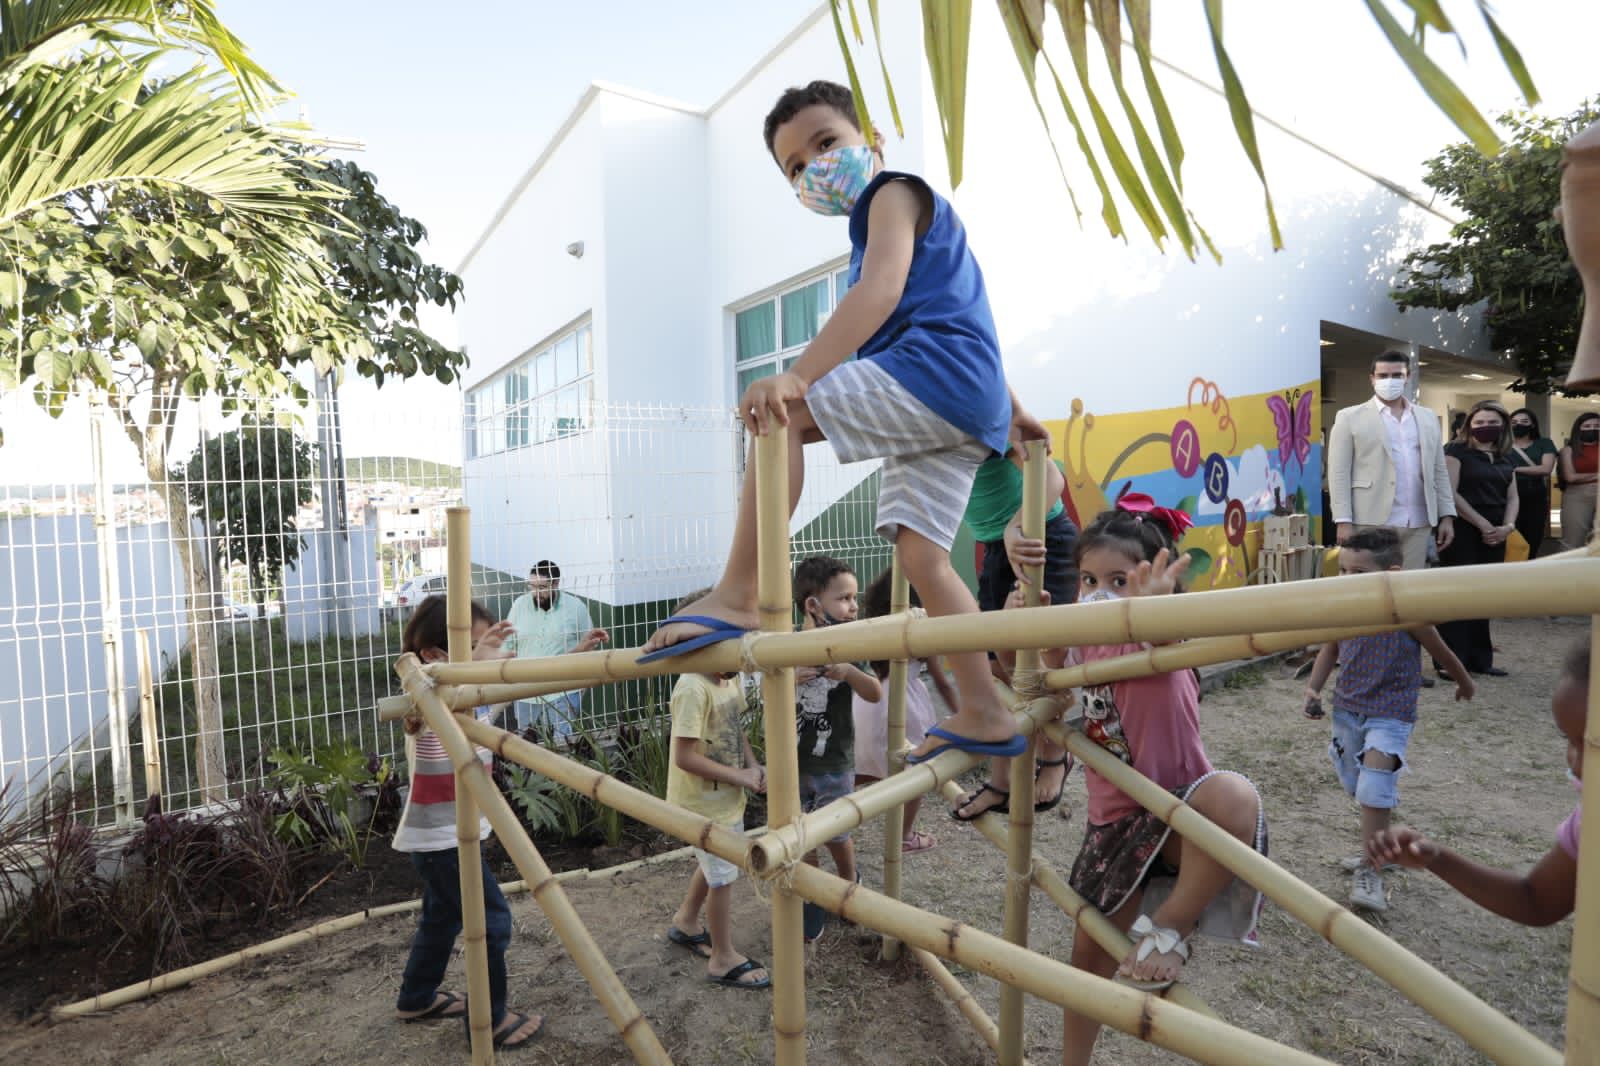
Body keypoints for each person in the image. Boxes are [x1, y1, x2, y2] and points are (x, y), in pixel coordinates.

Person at [640, 79, 1048, 770]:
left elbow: (880, 291)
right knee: (922, 558)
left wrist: (798, 376)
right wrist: (1010, 410)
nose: (814, 168)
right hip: (963, 402)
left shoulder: (894, 192)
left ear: (872, 139)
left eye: (827, 143)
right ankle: (983, 706)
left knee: (780, 416)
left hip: (935, 376)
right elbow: (966, 310)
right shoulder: (882, 233)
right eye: (796, 167)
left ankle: (739, 589)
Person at [1034, 501, 1267, 1066]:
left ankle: (1171, 928)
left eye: (1120, 581)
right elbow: (1042, 679)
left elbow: (1168, 650)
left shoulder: (1162, 646)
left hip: (1183, 816)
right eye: (1090, 580)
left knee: (1235, 794)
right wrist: (1035, 621)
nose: (1101, 594)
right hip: (1114, 824)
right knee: (1087, 957)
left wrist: (1154, 617)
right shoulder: (1084, 643)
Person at [392, 595, 544, 1049]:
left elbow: (518, 685)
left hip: (447, 840)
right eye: (473, 644)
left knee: (440, 918)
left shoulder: (470, 698)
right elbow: (434, 689)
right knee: (491, 922)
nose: (486, 651)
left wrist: (576, 655)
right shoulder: (425, 698)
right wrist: (477, 660)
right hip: (441, 843)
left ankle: (416, 997)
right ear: (434, 656)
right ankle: (490, 1019)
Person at [1301, 528, 1475, 912]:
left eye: (1358, 574)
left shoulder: (1407, 615)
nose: (1347, 581)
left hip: (1391, 714)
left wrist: (1463, 681)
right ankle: (1379, 846)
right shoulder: (1343, 610)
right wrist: (1313, 690)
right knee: (1357, 785)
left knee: (1374, 788)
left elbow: (1441, 653)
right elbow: (1329, 650)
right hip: (1347, 711)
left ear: (1392, 573)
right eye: (1342, 571)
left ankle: (1371, 868)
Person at [1371, 637, 1587, 926]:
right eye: (1570, 740)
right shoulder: (1588, 821)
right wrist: (1435, 857)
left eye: (1594, 744)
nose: (1576, 761)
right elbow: (1536, 900)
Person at [950, 447, 1077, 821]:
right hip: (994, 549)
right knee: (996, 670)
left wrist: (1016, 524)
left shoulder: (983, 408)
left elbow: (1052, 477)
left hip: (1038, 539)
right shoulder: (928, 423)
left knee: (1038, 658)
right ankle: (1002, 779)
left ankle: (1054, 754)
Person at [663, 589, 771, 989]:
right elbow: (684, 757)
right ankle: (723, 958)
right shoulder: (692, 687)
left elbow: (736, 728)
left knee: (715, 865)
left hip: (725, 796)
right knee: (724, 875)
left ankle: (687, 921)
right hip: (702, 802)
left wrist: (752, 764)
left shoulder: (726, 678)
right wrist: (741, 777)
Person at [792, 556, 881, 940]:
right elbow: (765, 694)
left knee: (838, 834)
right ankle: (812, 895)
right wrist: (789, 679)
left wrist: (849, 671)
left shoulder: (848, 644)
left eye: (854, 598)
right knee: (803, 835)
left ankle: (848, 884)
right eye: (844, 598)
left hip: (834, 762)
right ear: (813, 605)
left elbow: (875, 692)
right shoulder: (788, 647)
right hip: (792, 762)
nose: (853, 607)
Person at [852, 569, 960, 855]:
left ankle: (827, 817)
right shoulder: (921, 629)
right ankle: (904, 835)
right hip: (905, 704)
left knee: (863, 766)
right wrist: (963, 713)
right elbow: (941, 681)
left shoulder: (873, 624)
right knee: (916, 772)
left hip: (867, 703)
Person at [1326, 350, 1455, 571]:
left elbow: (1438, 471)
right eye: (1383, 376)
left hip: (1419, 521)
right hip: (1370, 519)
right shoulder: (1349, 417)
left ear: (1407, 377)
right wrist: (1343, 521)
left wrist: (1447, 515)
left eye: (1396, 375)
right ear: (1372, 378)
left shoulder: (1427, 417)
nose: (1389, 381)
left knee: (1410, 589)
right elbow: (1338, 473)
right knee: (1367, 588)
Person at [1437, 400, 1519, 676]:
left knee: (1484, 595)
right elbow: (1451, 492)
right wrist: (1483, 524)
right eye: (1480, 422)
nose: (1486, 427)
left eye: (1492, 423)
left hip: (1496, 532)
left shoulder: (1506, 454)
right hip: (1463, 529)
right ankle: (1451, 662)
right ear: (1469, 424)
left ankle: (1480, 660)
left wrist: (1507, 527)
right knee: (1457, 595)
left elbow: (1512, 495)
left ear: (1503, 426)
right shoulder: (1456, 451)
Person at [504, 560, 608, 739]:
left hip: (563, 691)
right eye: (532, 586)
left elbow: (589, 646)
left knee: (563, 745)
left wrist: (579, 689)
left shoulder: (576, 608)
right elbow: (507, 644)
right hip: (525, 691)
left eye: (542, 587)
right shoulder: (519, 605)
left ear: (556, 583)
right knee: (525, 744)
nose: (536, 593)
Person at [1508, 408, 1557, 558]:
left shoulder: (1544, 443)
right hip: (1508, 496)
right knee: (1512, 537)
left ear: (1533, 425)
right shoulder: (1503, 444)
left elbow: (1546, 468)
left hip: (1535, 495)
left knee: (1533, 537)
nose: (1519, 425)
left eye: (1524, 422)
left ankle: (1529, 567)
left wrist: (1513, 469)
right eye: (1514, 422)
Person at [1559, 412, 1600, 550]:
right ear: (1578, 429)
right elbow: (1570, 477)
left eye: (1597, 426)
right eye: (1587, 426)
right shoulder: (1568, 450)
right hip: (1577, 496)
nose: (1592, 429)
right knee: (1573, 539)